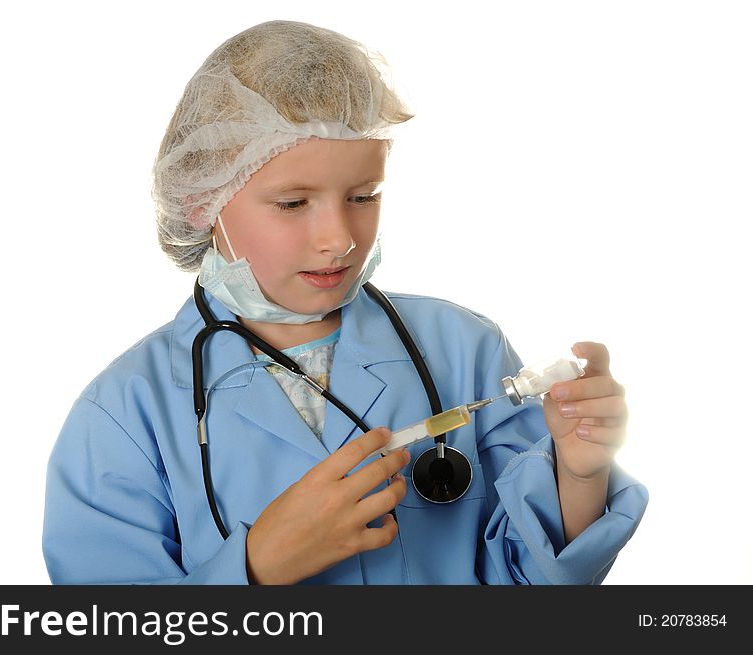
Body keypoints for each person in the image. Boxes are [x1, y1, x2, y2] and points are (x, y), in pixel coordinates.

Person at [42, 19, 648, 585]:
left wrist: (579, 475)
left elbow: (527, 582)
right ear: (202, 199)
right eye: (292, 203)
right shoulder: (124, 413)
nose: (340, 238)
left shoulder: (464, 351)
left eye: (363, 195)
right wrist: (255, 567)